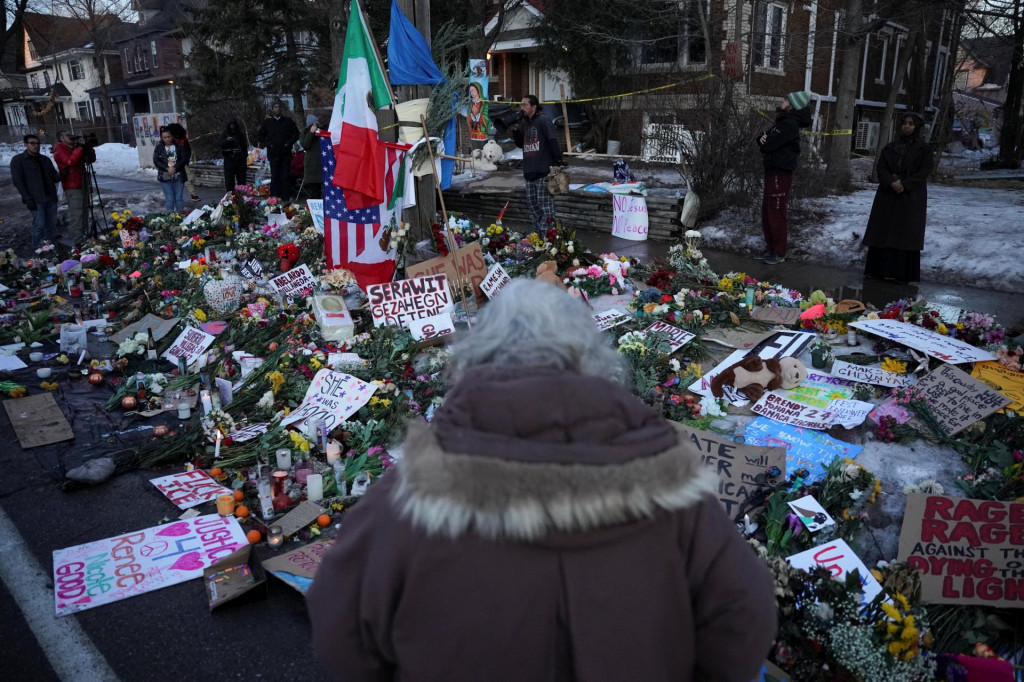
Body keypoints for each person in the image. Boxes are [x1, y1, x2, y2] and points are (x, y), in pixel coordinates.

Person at [307, 279, 777, 682]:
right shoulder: (672, 484)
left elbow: (340, 623)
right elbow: (744, 612)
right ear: (591, 358)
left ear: (474, 357)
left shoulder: (409, 493)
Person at [862, 112, 934, 284]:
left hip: (910, 197)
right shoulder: (890, 147)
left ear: (917, 127)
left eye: (911, 124)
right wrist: (891, 182)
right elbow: (882, 168)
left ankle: (901, 274)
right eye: (904, 123)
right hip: (888, 195)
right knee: (882, 233)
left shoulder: (924, 150)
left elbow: (924, 171)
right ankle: (877, 271)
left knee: (904, 235)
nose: (906, 126)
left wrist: (905, 184)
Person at [755, 90, 813, 265]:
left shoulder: (789, 124)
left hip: (780, 174)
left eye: (786, 99)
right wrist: (763, 139)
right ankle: (771, 248)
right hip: (772, 172)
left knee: (776, 212)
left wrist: (765, 141)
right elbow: (762, 140)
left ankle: (779, 252)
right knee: (767, 211)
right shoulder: (782, 122)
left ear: (792, 105)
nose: (782, 101)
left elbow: (768, 145)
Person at [517, 94, 563, 232]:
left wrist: (557, 162)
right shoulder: (524, 122)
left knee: (545, 206)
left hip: (543, 170)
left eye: (525, 105)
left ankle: (548, 236)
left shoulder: (543, 120)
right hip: (529, 171)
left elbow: (552, 140)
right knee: (533, 206)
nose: (522, 108)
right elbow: (520, 144)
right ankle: (537, 235)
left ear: (534, 107)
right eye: (521, 105)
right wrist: (515, 130)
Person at [10, 134, 60, 250]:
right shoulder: (18, 160)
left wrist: (64, 172)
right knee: (38, 226)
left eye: (37, 143)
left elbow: (54, 177)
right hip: (36, 199)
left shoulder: (45, 159)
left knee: (51, 225)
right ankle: (37, 253)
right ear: (26, 144)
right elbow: (18, 182)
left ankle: (52, 251)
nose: (35, 146)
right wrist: (27, 198)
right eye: (32, 143)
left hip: (50, 198)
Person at [53, 130, 96, 242]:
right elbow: (70, 162)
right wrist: (80, 148)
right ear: (62, 138)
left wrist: (88, 148)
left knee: (84, 212)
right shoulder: (59, 149)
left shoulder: (75, 147)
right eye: (68, 135)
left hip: (82, 183)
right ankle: (78, 240)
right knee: (77, 214)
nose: (71, 136)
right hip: (72, 185)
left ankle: (84, 237)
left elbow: (90, 160)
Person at [257, 101, 300, 200]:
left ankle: (286, 197)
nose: (278, 109)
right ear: (272, 109)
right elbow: (260, 137)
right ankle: (274, 197)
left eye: (279, 107)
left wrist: (288, 143)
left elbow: (296, 134)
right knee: (275, 175)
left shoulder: (288, 121)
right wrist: (269, 144)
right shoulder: (267, 122)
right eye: (275, 107)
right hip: (273, 154)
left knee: (285, 175)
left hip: (285, 153)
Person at [153, 126, 191, 213]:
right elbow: (156, 161)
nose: (167, 139)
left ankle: (180, 216)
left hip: (179, 175)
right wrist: (167, 168)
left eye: (168, 137)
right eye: (164, 137)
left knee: (179, 198)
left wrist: (175, 168)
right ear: (162, 138)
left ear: (172, 136)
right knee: (170, 198)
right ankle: (169, 218)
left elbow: (184, 159)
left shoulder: (179, 146)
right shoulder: (159, 147)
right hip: (164, 176)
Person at [165, 122, 200, 202]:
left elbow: (187, 151)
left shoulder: (182, 141)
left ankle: (192, 194)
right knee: (180, 178)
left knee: (188, 178)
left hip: (182, 162)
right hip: (176, 162)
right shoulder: (174, 141)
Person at [219, 116, 250, 193]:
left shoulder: (240, 134)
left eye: (233, 124)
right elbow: (220, 143)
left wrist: (244, 158)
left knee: (241, 179)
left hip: (240, 160)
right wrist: (227, 140)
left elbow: (244, 146)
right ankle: (230, 195)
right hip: (229, 159)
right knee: (229, 180)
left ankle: (241, 194)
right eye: (231, 124)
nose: (232, 126)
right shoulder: (225, 134)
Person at [300, 114, 323, 199]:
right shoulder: (305, 133)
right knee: (313, 192)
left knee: (320, 191)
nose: (317, 124)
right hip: (312, 167)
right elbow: (305, 144)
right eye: (315, 123)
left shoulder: (321, 132)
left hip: (321, 164)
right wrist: (311, 133)